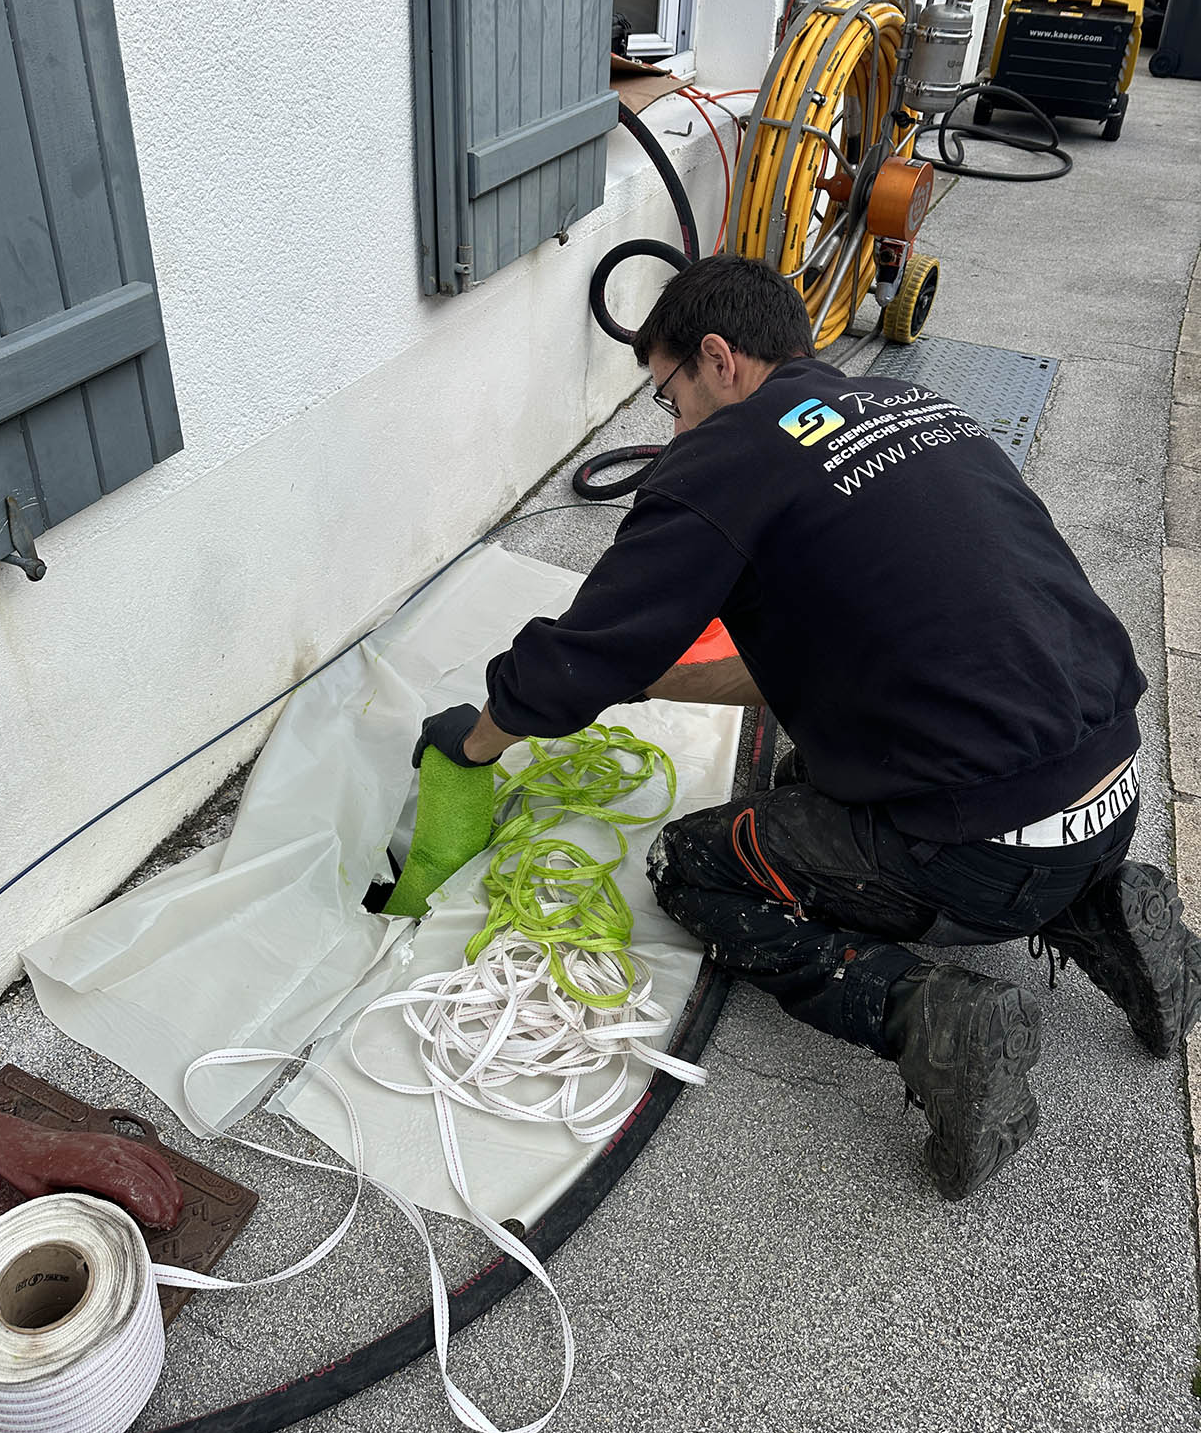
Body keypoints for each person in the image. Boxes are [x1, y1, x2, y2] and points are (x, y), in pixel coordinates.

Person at [413, 255, 1200, 1199]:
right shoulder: (919, 408)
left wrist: (475, 741)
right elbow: (836, 659)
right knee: (802, 776)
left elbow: (574, 656)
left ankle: (929, 1014)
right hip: (1110, 789)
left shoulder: (729, 456)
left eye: (667, 398)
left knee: (694, 864)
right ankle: (1101, 905)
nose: (673, 426)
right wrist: (652, 677)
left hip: (980, 844)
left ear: (717, 357)